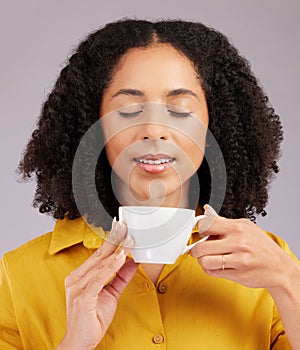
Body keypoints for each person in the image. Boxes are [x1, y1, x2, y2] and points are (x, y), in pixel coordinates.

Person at [0, 18, 299, 350]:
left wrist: (289, 284)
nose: (154, 130)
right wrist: (74, 344)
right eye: (128, 111)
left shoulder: (272, 263)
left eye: (180, 110)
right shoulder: (17, 276)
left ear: (215, 124)